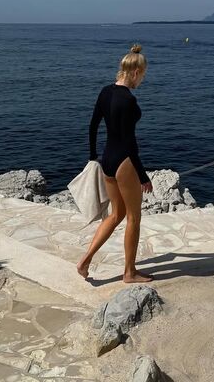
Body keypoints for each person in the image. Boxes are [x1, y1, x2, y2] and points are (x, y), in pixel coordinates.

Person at [77, 43, 154, 283]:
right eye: (143, 75)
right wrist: (143, 175)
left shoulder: (105, 91)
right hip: (124, 161)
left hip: (107, 159)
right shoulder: (128, 100)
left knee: (115, 214)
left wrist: (93, 157)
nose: (142, 80)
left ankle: (85, 260)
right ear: (135, 72)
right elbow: (130, 143)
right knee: (133, 218)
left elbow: (93, 126)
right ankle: (129, 272)